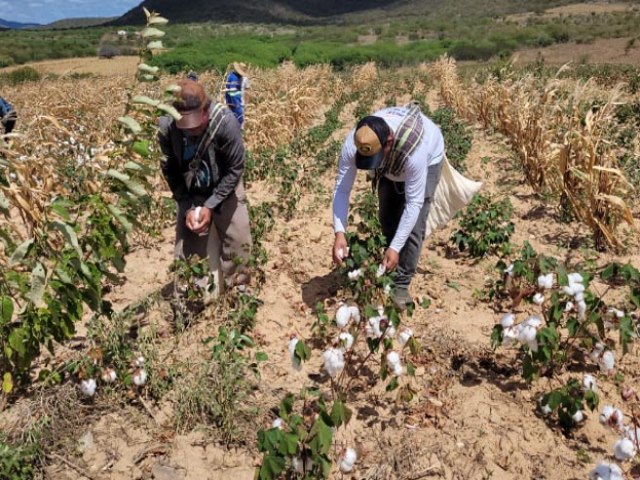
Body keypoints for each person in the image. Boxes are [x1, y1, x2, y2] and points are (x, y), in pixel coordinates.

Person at [332, 103, 445, 309]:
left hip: (428, 158)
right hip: (392, 161)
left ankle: (401, 284)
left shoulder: (415, 151)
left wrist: (395, 247)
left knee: (413, 227)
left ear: (389, 142)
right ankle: (389, 266)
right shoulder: (356, 142)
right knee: (387, 216)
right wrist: (340, 232)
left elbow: (414, 203)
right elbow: (342, 190)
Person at [158, 79, 252, 292]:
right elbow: (170, 169)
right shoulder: (167, 127)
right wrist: (187, 204)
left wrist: (211, 205)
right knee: (188, 251)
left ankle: (239, 295)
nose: (191, 131)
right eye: (185, 127)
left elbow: (235, 169)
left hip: (225, 187)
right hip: (192, 189)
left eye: (196, 126)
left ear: (205, 111)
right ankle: (193, 300)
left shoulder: (226, 123)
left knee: (238, 242)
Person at [224, 62, 249, 127]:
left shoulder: (230, 75)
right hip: (235, 105)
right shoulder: (234, 79)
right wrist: (239, 112)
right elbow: (233, 95)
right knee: (237, 124)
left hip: (229, 104)